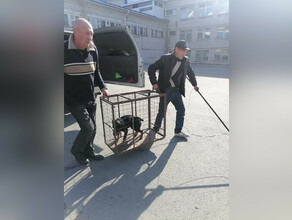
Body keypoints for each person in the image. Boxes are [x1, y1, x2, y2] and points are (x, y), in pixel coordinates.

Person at [64, 18, 109, 165]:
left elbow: (97, 72)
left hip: (90, 97)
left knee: (93, 128)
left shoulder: (93, 49)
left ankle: (89, 151)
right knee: (88, 128)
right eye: (87, 33)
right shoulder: (62, 50)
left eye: (92, 34)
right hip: (73, 100)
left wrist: (103, 88)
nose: (90, 37)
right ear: (75, 32)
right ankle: (76, 150)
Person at [148, 40, 199, 138]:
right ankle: (155, 129)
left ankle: (178, 131)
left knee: (181, 110)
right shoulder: (165, 59)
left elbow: (190, 73)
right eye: (182, 50)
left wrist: (195, 85)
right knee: (162, 112)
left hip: (176, 90)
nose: (184, 52)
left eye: (186, 50)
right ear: (176, 49)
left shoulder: (185, 61)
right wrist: (154, 83)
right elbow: (151, 68)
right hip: (165, 90)